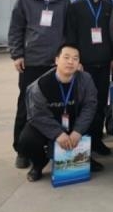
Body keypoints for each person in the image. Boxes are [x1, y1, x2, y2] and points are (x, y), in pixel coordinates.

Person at [8, 0, 69, 169]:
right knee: (26, 106)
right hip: (32, 62)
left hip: (56, 64)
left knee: (56, 107)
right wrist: (17, 54)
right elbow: (15, 29)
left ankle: (53, 147)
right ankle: (22, 150)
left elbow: (68, 30)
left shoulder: (63, 0)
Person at [18, 44, 98, 182]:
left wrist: (78, 131)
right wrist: (57, 133)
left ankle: (85, 157)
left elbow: (90, 106)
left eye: (75, 58)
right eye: (66, 57)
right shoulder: (40, 85)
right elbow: (37, 115)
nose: (70, 62)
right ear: (56, 60)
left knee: (95, 120)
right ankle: (38, 164)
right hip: (50, 124)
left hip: (74, 122)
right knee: (26, 140)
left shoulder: (85, 79)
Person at [66, 0, 113, 156]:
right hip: (84, 65)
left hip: (104, 64)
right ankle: (84, 140)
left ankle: (96, 139)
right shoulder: (76, 7)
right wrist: (76, 60)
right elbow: (71, 35)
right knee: (84, 103)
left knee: (101, 102)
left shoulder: (109, 6)